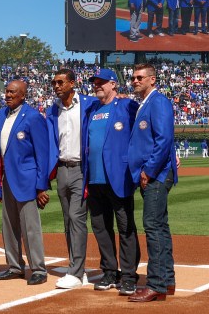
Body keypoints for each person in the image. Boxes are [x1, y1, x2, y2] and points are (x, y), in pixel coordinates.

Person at [86, 69, 141, 296]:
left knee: (125, 227)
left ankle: (129, 275)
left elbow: (143, 134)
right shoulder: (92, 109)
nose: (97, 85)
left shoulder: (128, 106)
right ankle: (110, 270)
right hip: (94, 178)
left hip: (119, 177)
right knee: (100, 227)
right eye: (95, 83)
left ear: (113, 84)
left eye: (101, 82)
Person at [127, 63, 178, 302]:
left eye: (140, 77)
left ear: (152, 80)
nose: (135, 81)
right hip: (154, 172)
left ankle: (156, 284)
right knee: (160, 227)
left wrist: (148, 170)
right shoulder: (145, 104)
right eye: (133, 78)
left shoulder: (158, 102)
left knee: (153, 227)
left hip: (156, 174)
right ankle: (166, 281)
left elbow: (164, 138)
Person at [0, 80, 49, 286]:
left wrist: (41, 185)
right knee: (9, 225)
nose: (8, 95)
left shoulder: (33, 117)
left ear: (23, 95)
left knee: (30, 227)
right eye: (6, 91)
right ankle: (15, 266)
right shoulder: (1, 115)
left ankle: (38, 269)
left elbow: (42, 154)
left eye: (12, 92)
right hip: (6, 177)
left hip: (27, 179)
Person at [46, 69, 96, 289]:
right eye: (53, 83)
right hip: (62, 169)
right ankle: (78, 268)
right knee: (68, 220)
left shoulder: (90, 104)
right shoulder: (52, 110)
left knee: (77, 218)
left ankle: (75, 272)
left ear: (72, 83)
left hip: (81, 169)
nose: (56, 86)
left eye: (60, 82)